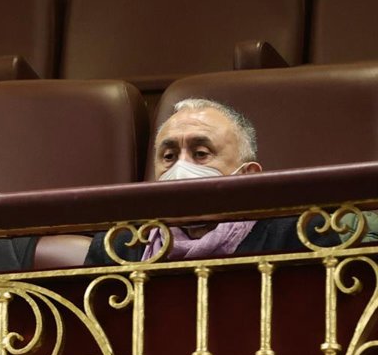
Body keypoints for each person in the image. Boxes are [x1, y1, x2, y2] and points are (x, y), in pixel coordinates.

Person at [83, 97, 338, 265]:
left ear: (248, 176)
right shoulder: (118, 245)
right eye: (169, 156)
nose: (181, 168)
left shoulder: (300, 235)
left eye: (201, 154)